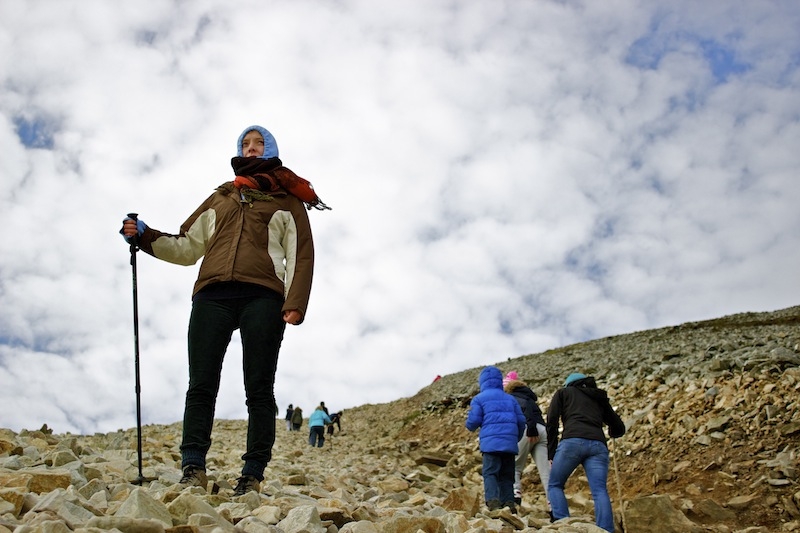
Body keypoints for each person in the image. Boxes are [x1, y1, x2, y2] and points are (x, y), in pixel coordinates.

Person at [120, 124, 328, 497]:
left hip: (263, 296)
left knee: (259, 388)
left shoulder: (287, 202)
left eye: (258, 143)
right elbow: (186, 246)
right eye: (245, 144)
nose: (251, 149)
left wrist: (294, 303)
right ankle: (192, 466)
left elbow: (302, 255)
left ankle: (252, 472)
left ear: (271, 150)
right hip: (211, 295)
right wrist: (145, 235)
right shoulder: (222, 197)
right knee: (200, 385)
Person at [546, 373, 626, 532]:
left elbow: (552, 420)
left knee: (555, 484)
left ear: (569, 384)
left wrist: (551, 453)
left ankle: (563, 525)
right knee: (599, 490)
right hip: (598, 446)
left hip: (572, 442)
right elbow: (618, 427)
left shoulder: (563, 393)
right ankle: (605, 529)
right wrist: (613, 431)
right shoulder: (598, 397)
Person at [465, 366, 526, 513]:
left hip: (490, 445)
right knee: (507, 475)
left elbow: (473, 422)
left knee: (490, 473)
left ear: (482, 382)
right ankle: (509, 504)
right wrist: (514, 439)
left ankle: (493, 502)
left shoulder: (479, 399)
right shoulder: (510, 399)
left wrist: (469, 425)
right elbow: (521, 422)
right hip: (509, 444)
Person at [503, 371, 551, 515]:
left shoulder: (512, 397)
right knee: (546, 472)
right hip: (543, 430)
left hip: (528, 430)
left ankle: (515, 496)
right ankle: (553, 504)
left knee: (515, 465)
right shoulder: (529, 396)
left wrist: (530, 429)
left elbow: (525, 412)